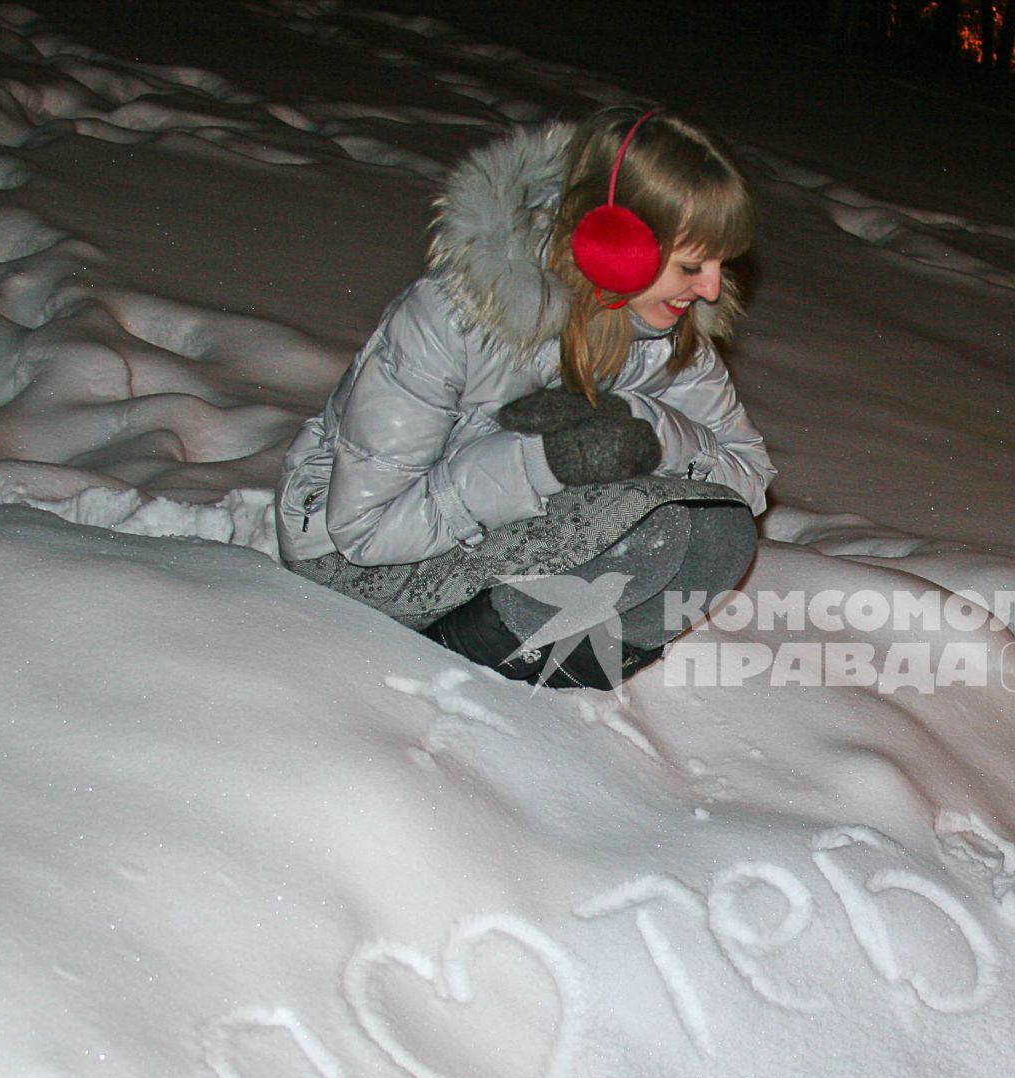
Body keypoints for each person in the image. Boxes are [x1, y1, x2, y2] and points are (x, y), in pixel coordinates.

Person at [275, 105, 773, 688]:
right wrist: (541, 460)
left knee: (717, 533)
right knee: (644, 527)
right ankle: (441, 663)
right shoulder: (452, 317)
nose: (711, 287)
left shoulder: (671, 337)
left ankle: (565, 675)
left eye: (719, 263)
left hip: (483, 537)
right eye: (692, 264)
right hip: (351, 560)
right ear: (613, 245)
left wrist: (650, 430)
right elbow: (367, 530)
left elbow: (750, 480)